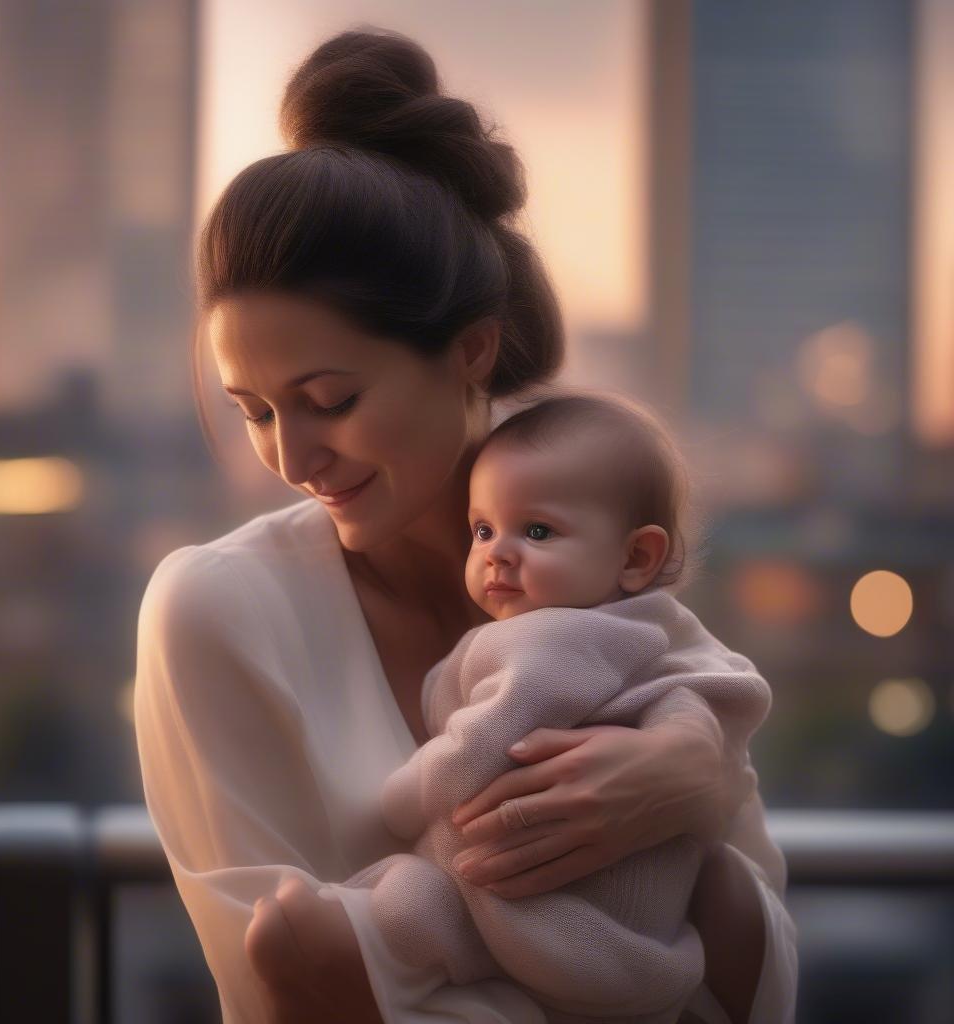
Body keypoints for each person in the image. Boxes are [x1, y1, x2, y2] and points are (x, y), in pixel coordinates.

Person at [133, 26, 798, 1024]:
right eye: (256, 411)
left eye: (329, 397)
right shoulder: (215, 611)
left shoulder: (593, 568)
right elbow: (291, 996)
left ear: (471, 352)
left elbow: (757, 979)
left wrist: (696, 790)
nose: (291, 457)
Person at [287, 391, 781, 1024]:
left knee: (416, 898)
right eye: (483, 530)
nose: (498, 552)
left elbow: (480, 746)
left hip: (569, 918)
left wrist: (402, 797)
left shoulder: (560, 640)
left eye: (537, 531)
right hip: (612, 924)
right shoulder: (648, 638)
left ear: (635, 558)